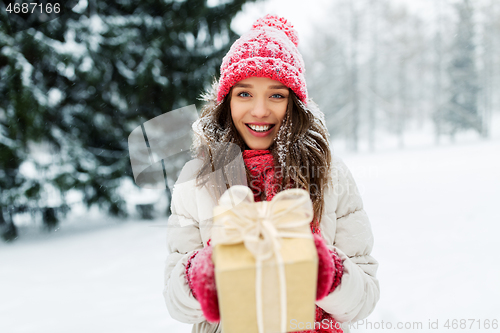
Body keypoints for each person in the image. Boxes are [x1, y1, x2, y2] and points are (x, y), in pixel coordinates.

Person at [163, 14, 379, 333]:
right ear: (227, 101)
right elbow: (175, 301)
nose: (260, 110)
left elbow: (365, 299)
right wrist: (201, 276)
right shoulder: (196, 178)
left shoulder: (329, 174)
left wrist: (328, 271)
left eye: (276, 95)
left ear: (294, 103)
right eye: (245, 93)